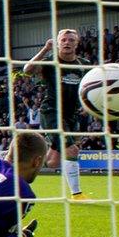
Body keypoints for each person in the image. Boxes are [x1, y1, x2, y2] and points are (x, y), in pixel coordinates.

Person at [23, 29, 91, 200]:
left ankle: (21, 161)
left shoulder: (83, 65)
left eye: (71, 40)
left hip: (71, 116)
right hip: (52, 112)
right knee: (72, 150)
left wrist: (88, 105)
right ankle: (77, 195)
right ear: (58, 43)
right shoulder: (50, 62)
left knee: (53, 162)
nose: (67, 43)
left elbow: (90, 89)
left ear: (77, 43)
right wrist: (45, 49)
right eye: (64, 40)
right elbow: (27, 70)